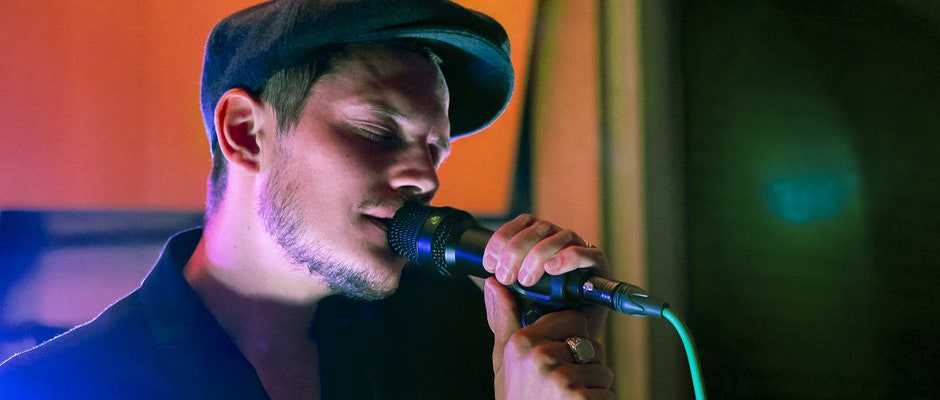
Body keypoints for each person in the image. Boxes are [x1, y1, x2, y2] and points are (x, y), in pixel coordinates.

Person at [0, 1, 615, 399]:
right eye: (378, 131)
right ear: (246, 132)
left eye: (435, 151)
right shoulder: (58, 386)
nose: (425, 180)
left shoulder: (461, 339)